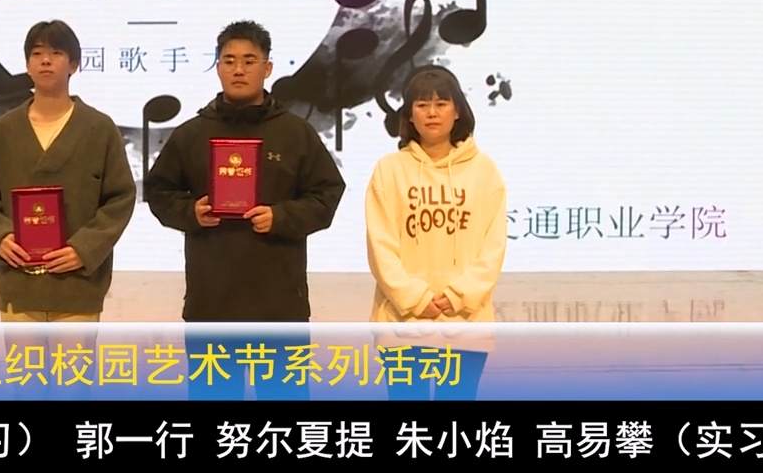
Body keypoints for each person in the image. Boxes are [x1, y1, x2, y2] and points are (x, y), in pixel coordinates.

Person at [144, 20, 346, 401]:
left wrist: (281, 217)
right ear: (217, 66)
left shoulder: (295, 133)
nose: (238, 69)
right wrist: (191, 212)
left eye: (249, 61)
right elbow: (158, 191)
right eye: (229, 60)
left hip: (279, 305)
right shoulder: (191, 133)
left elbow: (327, 194)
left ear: (267, 68)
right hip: (211, 304)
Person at [0, 20, 135, 397]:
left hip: (77, 283)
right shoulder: (4, 130)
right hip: (19, 282)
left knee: (72, 390)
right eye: (37, 54)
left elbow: (120, 198)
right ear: (27, 65)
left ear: (74, 64)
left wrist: (83, 249)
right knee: (26, 389)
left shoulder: (99, 128)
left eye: (56, 53)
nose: (46, 61)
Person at [364, 64, 507, 400]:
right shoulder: (389, 170)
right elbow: (380, 246)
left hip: (465, 322)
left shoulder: (484, 171)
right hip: (403, 322)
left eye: (441, 103)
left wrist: (457, 296)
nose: (432, 113)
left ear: (457, 111)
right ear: (409, 114)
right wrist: (416, 298)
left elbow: (493, 246)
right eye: (422, 104)